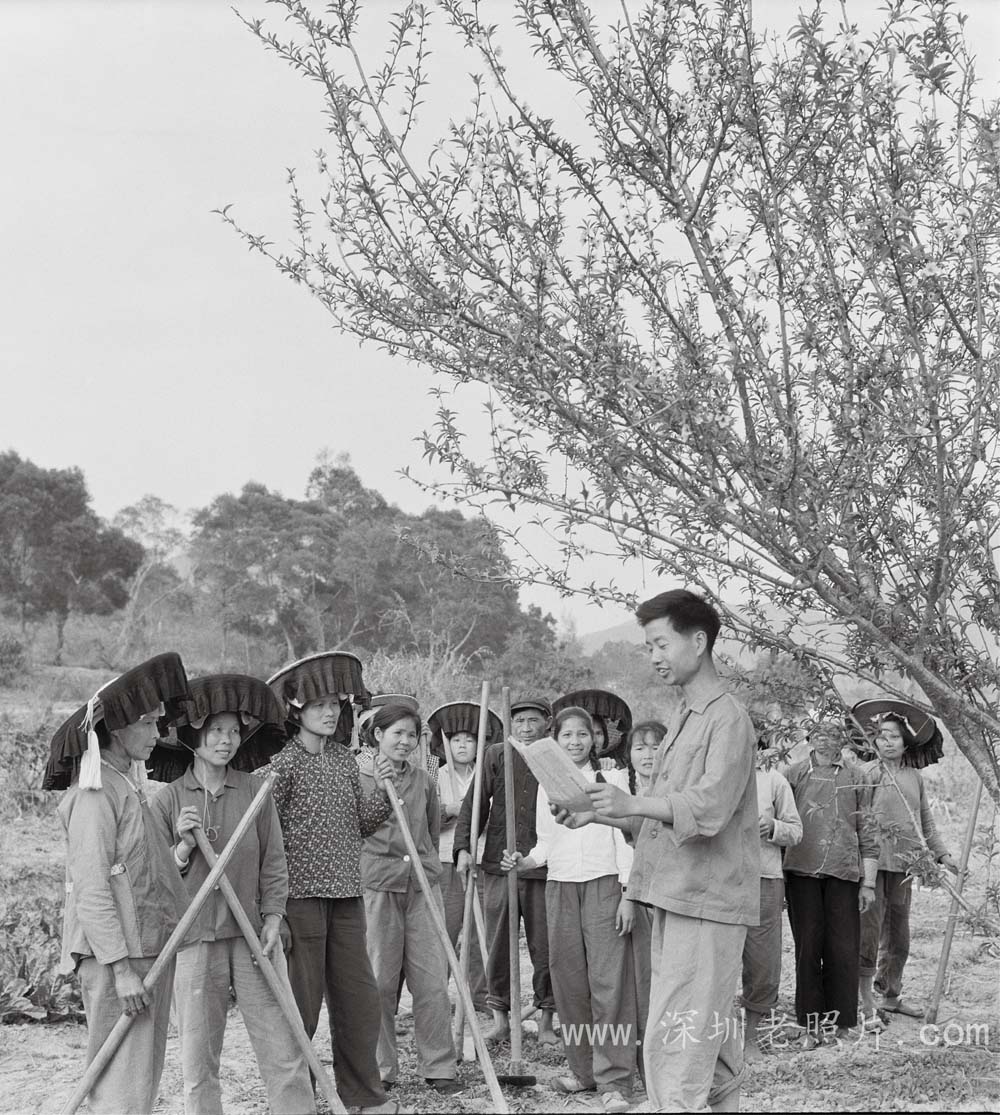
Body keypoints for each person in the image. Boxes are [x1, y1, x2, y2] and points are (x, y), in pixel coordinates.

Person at [554, 590, 760, 1112]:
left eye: (661, 644)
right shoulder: (687, 715)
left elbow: (709, 807)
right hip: (676, 893)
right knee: (708, 1032)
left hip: (707, 899)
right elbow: (660, 816)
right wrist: (597, 814)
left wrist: (632, 802)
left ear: (699, 641)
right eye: (649, 647)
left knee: (677, 1041)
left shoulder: (727, 718)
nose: (654, 657)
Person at [149, 674, 315, 1115]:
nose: (226, 740)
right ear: (193, 736)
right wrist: (183, 847)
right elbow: (157, 879)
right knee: (199, 1059)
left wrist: (274, 918)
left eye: (234, 731)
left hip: (253, 934)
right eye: (216, 731)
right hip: (194, 939)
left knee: (284, 1046)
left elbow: (274, 862)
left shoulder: (257, 792)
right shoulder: (167, 801)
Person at [44, 652, 192, 1115]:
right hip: (119, 958)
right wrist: (122, 969)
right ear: (117, 729)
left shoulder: (125, 785)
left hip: (145, 947)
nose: (156, 734)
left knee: (139, 1075)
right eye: (147, 723)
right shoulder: (94, 794)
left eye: (157, 723)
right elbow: (91, 889)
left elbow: (142, 871)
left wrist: (182, 851)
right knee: (121, 1082)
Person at [262, 652, 400, 1115]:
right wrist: (271, 907)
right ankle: (296, 1100)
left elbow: (362, 824)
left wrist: (383, 790)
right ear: (296, 708)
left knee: (359, 999)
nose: (330, 712)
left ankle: (363, 1096)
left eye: (336, 705)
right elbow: (264, 836)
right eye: (319, 705)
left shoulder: (345, 760)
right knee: (301, 1006)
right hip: (298, 898)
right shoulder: (281, 763)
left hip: (346, 896)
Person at [504, 706, 636, 1113]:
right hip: (560, 887)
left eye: (583, 734)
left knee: (609, 985)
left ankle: (615, 1080)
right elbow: (545, 844)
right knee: (569, 983)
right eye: (567, 735)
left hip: (605, 886)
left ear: (595, 739)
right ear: (555, 740)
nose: (576, 741)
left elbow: (625, 841)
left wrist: (627, 894)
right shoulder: (547, 786)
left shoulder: (612, 780)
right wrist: (524, 862)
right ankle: (583, 1072)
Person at [359, 704, 460, 1093]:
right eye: (396, 733)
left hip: (421, 887)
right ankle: (380, 1070)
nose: (404, 741)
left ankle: (439, 1067)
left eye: (411, 735)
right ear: (378, 735)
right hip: (377, 887)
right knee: (379, 983)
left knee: (432, 981)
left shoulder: (424, 781)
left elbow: (431, 835)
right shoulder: (360, 777)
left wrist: (426, 868)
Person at [453, 695, 558, 1045]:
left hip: (544, 866)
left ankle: (546, 1021)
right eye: (520, 721)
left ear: (547, 722)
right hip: (500, 862)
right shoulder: (496, 754)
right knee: (498, 944)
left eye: (533, 720)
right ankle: (500, 1020)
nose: (526, 728)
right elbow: (475, 804)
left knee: (546, 946)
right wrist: (464, 848)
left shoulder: (554, 755)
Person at [783, 722, 880, 1046]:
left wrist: (868, 882)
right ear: (810, 738)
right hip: (801, 872)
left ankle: (842, 1023)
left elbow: (868, 830)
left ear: (844, 739)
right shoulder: (794, 774)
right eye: (819, 734)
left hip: (844, 872)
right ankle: (810, 1025)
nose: (825, 740)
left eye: (833, 734)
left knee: (843, 949)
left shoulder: (857, 777)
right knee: (808, 948)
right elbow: (784, 824)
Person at [859, 714, 958, 1020]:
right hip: (872, 867)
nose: (887, 742)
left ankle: (891, 995)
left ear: (906, 744)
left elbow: (925, 822)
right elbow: (858, 820)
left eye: (894, 737)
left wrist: (943, 856)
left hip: (904, 867)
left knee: (898, 936)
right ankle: (863, 1000)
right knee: (868, 933)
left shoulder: (914, 777)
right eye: (882, 736)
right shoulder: (868, 774)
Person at [428, 700, 500, 1014]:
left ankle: (482, 996)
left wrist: (475, 814)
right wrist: (453, 810)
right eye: (456, 739)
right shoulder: (436, 776)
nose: (462, 745)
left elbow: (496, 814)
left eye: (469, 740)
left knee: (480, 930)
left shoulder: (487, 774)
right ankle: (435, 997)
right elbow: (428, 817)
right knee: (446, 928)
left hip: (482, 859)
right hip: (446, 859)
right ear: (446, 744)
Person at [741, 746, 802, 1060]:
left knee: (762, 962)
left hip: (764, 878)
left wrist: (774, 827)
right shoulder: (710, 775)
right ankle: (717, 1039)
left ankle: (751, 1037)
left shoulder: (773, 780)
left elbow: (796, 830)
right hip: (719, 881)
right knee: (716, 960)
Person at [619, 719, 667, 1078]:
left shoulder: (672, 792)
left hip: (669, 896)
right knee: (640, 981)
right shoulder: (622, 790)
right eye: (640, 747)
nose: (648, 755)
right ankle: (644, 1061)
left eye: (656, 746)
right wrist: (628, 896)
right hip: (636, 895)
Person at [552, 689, 633, 769]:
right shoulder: (552, 770)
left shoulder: (612, 770)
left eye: (598, 733)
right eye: (583, 734)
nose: (593, 740)